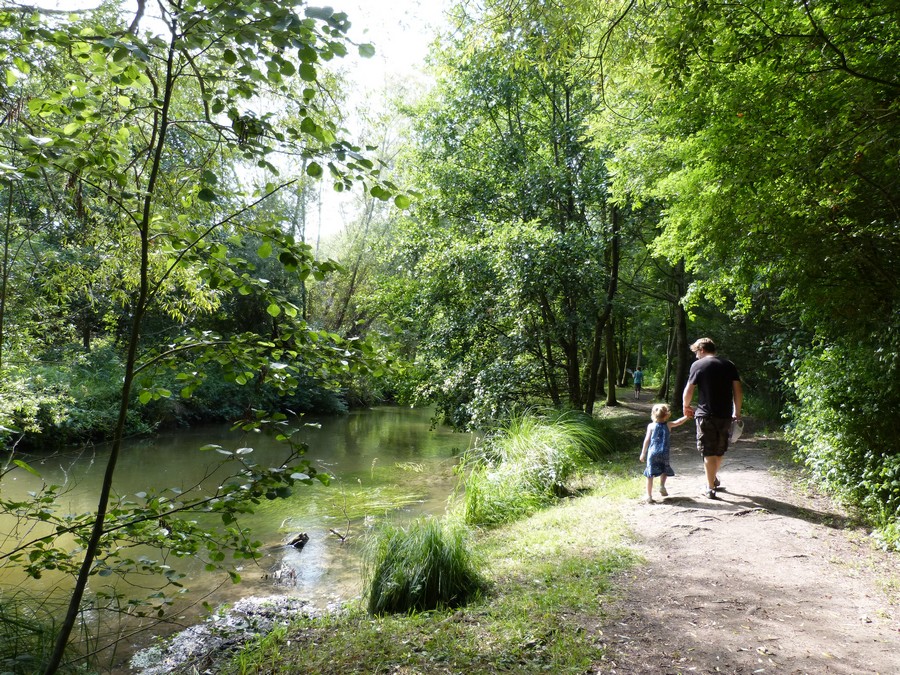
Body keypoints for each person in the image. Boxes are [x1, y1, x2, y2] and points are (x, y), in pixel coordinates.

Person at [682, 337, 743, 499]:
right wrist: (737, 411)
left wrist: (685, 406)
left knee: (708, 451)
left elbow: (689, 389)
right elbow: (738, 390)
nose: (695, 356)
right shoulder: (729, 365)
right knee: (719, 449)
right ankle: (713, 479)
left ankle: (709, 488)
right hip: (725, 416)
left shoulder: (698, 365)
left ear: (702, 349)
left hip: (705, 415)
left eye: (696, 352)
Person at [639, 403, 690, 502]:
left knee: (650, 475)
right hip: (664, 452)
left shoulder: (651, 426)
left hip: (652, 453)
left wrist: (643, 453)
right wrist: (687, 417)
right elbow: (678, 422)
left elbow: (646, 440)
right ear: (666, 415)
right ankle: (662, 486)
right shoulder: (668, 425)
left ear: (653, 414)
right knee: (664, 469)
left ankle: (649, 496)